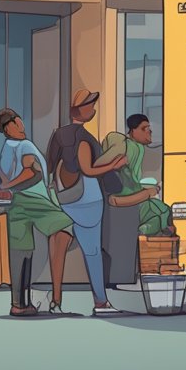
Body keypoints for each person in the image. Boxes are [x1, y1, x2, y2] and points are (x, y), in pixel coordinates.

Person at [46, 89, 126, 315]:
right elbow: (88, 170)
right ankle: (101, 302)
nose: (94, 109)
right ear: (80, 110)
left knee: (57, 252)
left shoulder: (58, 134)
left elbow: (50, 166)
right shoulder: (83, 137)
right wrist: (113, 165)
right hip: (87, 200)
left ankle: (56, 301)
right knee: (92, 253)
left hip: (62, 200)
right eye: (90, 105)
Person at [0, 108, 75, 317]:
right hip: (33, 199)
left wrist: (6, 188)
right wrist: (11, 186)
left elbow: (1, 179)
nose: (19, 125)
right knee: (64, 225)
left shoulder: (5, 148)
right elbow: (34, 172)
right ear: (12, 125)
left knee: (21, 252)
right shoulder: (24, 145)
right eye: (15, 122)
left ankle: (19, 304)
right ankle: (55, 297)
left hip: (15, 204)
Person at [99, 114, 171, 288]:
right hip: (124, 205)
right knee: (162, 213)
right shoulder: (129, 148)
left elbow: (130, 179)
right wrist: (147, 193)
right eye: (144, 129)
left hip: (129, 200)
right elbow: (102, 166)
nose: (149, 132)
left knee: (163, 211)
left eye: (149, 128)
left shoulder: (137, 148)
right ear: (132, 131)